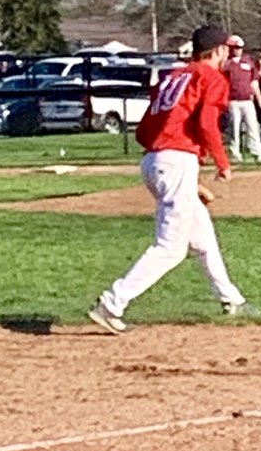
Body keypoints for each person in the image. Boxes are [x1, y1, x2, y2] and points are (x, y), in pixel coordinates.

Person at [87, 24, 248, 334]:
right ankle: (112, 303)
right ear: (217, 50)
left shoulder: (174, 76)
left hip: (155, 159)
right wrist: (222, 162)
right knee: (171, 248)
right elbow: (206, 123)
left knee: (202, 236)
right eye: (226, 49)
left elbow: (145, 128)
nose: (228, 54)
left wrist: (164, 160)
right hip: (176, 160)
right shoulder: (211, 77)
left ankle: (231, 299)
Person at [225, 34, 261, 164]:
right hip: (232, 100)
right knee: (234, 129)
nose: (238, 50)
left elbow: (254, 82)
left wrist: (259, 99)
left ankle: (257, 153)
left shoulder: (248, 62)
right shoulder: (225, 64)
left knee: (253, 127)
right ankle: (235, 154)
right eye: (235, 47)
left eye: (240, 48)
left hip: (247, 100)